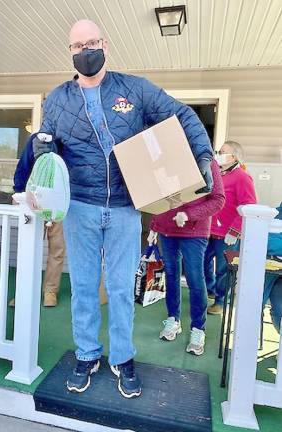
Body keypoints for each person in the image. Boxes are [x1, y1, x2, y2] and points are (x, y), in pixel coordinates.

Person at [33, 19, 214, 398]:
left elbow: (180, 115)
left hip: (125, 208)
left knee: (119, 288)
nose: (86, 51)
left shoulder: (134, 89)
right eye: (78, 46)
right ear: (70, 51)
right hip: (80, 206)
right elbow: (47, 149)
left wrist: (203, 155)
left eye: (92, 43)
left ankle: (122, 357)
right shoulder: (57, 99)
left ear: (105, 44)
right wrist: (41, 151)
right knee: (83, 288)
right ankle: (86, 354)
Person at [148, 161, 225, 356]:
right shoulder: (165, 160)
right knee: (171, 276)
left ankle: (198, 329)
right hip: (167, 229)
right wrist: (154, 226)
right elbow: (158, 198)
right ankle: (173, 319)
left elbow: (218, 199)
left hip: (194, 231)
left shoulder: (207, 162)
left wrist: (188, 214)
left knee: (195, 279)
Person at [11, 133, 66, 307]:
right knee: (29, 248)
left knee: (57, 248)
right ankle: (23, 291)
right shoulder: (35, 138)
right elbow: (24, 165)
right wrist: (18, 190)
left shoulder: (70, 138)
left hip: (59, 203)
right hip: (33, 201)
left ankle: (50, 291)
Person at [204, 141, 257, 315]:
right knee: (202, 263)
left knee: (222, 269)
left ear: (233, 157)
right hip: (208, 230)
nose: (218, 153)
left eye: (222, 152)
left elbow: (248, 205)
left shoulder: (242, 177)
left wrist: (235, 230)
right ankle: (211, 290)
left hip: (227, 234)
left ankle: (220, 301)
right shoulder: (216, 174)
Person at [263, 203, 282, 333]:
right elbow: (267, 243)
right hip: (268, 269)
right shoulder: (273, 214)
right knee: (253, 305)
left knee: (279, 311)